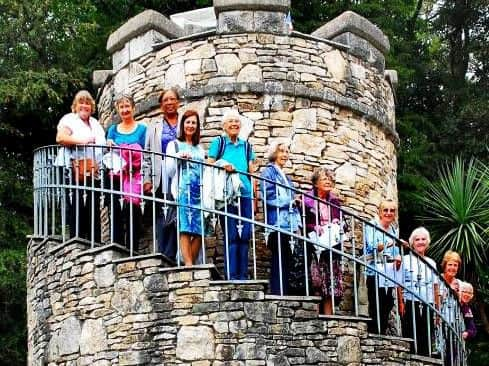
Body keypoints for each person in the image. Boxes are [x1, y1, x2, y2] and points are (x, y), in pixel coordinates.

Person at [207, 109, 256, 280]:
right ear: (224, 126)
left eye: (237, 121)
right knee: (232, 235)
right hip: (227, 195)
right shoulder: (219, 142)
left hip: (245, 193)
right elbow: (209, 164)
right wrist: (223, 165)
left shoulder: (247, 146)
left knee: (246, 235)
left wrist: (255, 198)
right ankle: (232, 275)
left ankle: (243, 275)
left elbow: (251, 172)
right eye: (230, 122)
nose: (234, 124)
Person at [55, 90, 106, 242]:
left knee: (93, 205)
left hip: (93, 169)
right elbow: (61, 138)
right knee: (77, 203)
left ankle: (94, 242)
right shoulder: (70, 119)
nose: (84, 105)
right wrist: (83, 141)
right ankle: (76, 241)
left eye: (87, 103)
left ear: (92, 106)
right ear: (75, 106)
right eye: (81, 102)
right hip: (74, 168)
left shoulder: (95, 123)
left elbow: (100, 144)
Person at [105, 94, 146, 252]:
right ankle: (117, 245)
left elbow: (144, 152)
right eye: (121, 107)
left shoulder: (142, 129)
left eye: (127, 106)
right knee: (115, 208)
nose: (125, 110)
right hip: (116, 174)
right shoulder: (113, 130)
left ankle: (132, 247)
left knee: (133, 209)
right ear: (117, 110)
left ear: (133, 108)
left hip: (134, 175)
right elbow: (108, 152)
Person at [143, 88, 180, 259]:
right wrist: (147, 179)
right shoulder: (154, 126)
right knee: (163, 215)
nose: (169, 103)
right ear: (161, 105)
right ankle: (165, 254)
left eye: (172, 99)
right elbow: (147, 154)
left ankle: (181, 255)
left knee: (180, 214)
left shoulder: (185, 121)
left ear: (178, 102)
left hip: (181, 174)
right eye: (166, 100)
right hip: (161, 174)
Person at [260, 142, 301, 295]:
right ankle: (278, 292)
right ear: (274, 153)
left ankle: (284, 292)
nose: (285, 154)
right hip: (276, 222)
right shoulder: (269, 173)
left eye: (287, 151)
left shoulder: (286, 177)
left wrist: (298, 224)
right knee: (279, 259)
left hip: (288, 224)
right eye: (281, 151)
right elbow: (267, 195)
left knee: (287, 259)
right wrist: (289, 201)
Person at [166, 110, 205, 266]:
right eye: (188, 122)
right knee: (185, 227)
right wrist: (178, 157)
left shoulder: (200, 149)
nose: (190, 125)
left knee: (199, 230)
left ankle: (191, 263)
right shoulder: (174, 145)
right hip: (183, 191)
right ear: (182, 125)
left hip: (199, 192)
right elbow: (169, 171)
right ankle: (189, 265)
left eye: (193, 123)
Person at [304, 168, 343, 314]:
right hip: (315, 246)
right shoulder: (306, 200)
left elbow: (341, 221)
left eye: (330, 179)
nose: (328, 181)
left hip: (331, 245)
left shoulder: (334, 201)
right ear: (315, 183)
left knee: (330, 283)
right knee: (316, 281)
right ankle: (315, 316)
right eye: (324, 179)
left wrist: (337, 221)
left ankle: (329, 318)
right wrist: (314, 226)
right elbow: (302, 222)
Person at [364, 199, 401, 334]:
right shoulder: (372, 225)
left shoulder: (393, 230)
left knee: (388, 303)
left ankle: (381, 333)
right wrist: (392, 243)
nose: (388, 213)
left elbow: (395, 251)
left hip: (388, 272)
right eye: (385, 210)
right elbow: (372, 246)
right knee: (376, 303)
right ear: (380, 212)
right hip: (374, 270)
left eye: (392, 210)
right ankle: (374, 333)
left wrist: (398, 257)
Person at [401, 227, 439, 356]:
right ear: (412, 243)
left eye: (423, 239)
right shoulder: (405, 260)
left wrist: (437, 310)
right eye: (417, 239)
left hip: (428, 303)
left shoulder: (431, 263)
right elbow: (399, 285)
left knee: (426, 335)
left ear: (427, 242)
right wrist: (401, 303)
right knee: (411, 333)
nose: (421, 242)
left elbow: (435, 287)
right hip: (410, 301)